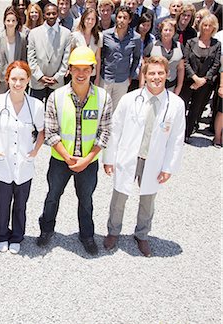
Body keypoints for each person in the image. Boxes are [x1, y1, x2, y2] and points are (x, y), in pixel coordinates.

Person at [102, 56, 186, 257]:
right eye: (151, 73)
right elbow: (115, 130)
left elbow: (176, 138)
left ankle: (142, 234)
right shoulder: (130, 99)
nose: (156, 77)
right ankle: (113, 232)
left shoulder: (175, 104)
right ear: (144, 75)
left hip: (154, 159)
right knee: (119, 196)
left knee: (148, 198)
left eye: (160, 73)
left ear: (167, 74)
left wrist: (168, 167)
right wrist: (108, 158)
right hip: (129, 156)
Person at [36, 46, 112, 255]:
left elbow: (104, 132)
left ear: (92, 70)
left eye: (86, 69)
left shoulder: (103, 98)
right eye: (76, 69)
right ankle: (46, 229)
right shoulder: (56, 97)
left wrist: (87, 159)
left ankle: (86, 235)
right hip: (61, 160)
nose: (81, 74)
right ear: (69, 69)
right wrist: (68, 157)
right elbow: (51, 132)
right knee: (53, 196)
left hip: (88, 161)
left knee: (86, 200)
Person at [0, 61, 44, 254]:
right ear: (7, 80)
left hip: (24, 163)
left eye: (22, 79)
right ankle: (1, 235)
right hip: (3, 163)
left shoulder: (36, 106)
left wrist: (35, 151)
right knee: (2, 204)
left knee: (20, 205)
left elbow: (42, 131)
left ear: (28, 80)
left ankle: (17, 236)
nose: (17, 83)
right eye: (14, 79)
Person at [181, 14, 220, 143]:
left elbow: (216, 64)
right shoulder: (191, 42)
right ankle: (177, 132)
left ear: (214, 27)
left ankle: (187, 133)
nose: (206, 27)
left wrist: (203, 80)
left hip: (205, 83)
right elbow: (185, 62)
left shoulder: (217, 44)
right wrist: (194, 77)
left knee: (195, 109)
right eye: (204, 25)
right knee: (182, 106)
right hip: (189, 81)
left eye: (209, 25)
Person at [27, 3, 71, 102]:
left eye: (54, 13)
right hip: (37, 81)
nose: (51, 16)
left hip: (57, 82)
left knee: (55, 113)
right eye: (48, 14)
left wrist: (57, 77)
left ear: (58, 14)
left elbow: (66, 59)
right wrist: (40, 77)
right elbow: (31, 58)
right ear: (43, 14)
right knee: (36, 112)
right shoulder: (34, 33)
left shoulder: (66, 33)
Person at [100, 5, 141, 108]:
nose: (121, 20)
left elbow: (136, 58)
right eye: (119, 17)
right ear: (116, 18)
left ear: (129, 20)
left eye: (125, 18)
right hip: (106, 78)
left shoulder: (136, 38)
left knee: (117, 109)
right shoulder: (106, 35)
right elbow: (100, 56)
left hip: (123, 80)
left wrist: (131, 76)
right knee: (102, 107)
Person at [142, 19, 184, 96]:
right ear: (161, 31)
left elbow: (180, 68)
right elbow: (144, 67)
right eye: (165, 30)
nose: (168, 32)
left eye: (170, 30)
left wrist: (179, 87)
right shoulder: (152, 46)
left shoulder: (179, 46)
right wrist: (141, 86)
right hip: (152, 88)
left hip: (171, 87)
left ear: (174, 32)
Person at [0, 6, 27, 94]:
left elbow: (24, 59)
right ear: (4, 21)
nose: (10, 23)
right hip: (2, 78)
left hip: (17, 77)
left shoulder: (22, 38)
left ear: (17, 22)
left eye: (13, 21)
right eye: (8, 20)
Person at [70, 8, 103, 85]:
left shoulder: (99, 36)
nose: (90, 22)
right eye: (88, 19)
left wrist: (97, 77)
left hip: (91, 73)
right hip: (77, 73)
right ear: (83, 19)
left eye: (93, 19)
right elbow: (70, 56)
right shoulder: (75, 36)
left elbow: (98, 58)